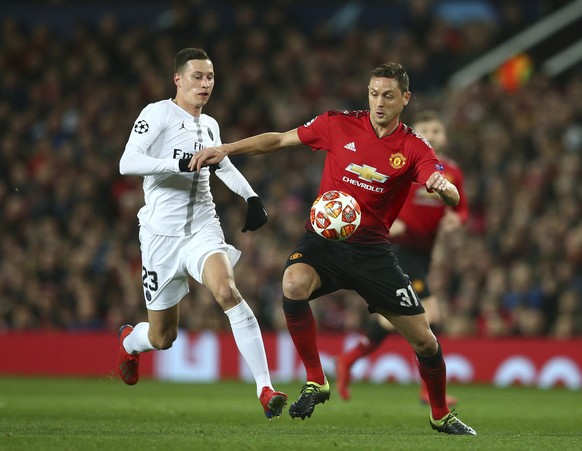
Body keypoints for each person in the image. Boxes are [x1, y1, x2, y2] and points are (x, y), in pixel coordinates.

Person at [190, 62, 476, 435]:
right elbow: (278, 140)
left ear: (405, 99)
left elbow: (452, 196)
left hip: (372, 251)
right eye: (374, 93)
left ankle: (440, 414)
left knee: (425, 341)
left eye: (388, 96)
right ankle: (316, 379)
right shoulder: (337, 124)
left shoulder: (413, 147)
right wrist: (227, 148)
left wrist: (445, 187)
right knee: (292, 284)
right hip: (323, 240)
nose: (378, 102)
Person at [117, 48, 287, 420]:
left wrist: (251, 196)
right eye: (197, 76)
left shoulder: (209, 124)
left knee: (227, 290)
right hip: (161, 237)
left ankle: (264, 387)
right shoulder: (157, 114)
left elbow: (220, 161)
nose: (205, 83)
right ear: (178, 79)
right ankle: (130, 342)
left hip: (202, 230)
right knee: (163, 338)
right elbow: (127, 162)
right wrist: (176, 164)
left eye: (210, 77)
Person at [335, 110, 469, 405]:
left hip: (424, 253)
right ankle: (428, 392)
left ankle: (349, 359)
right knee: (428, 316)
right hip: (398, 248)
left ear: (444, 136)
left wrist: (457, 219)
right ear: (415, 133)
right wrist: (387, 219)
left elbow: (462, 208)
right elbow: (375, 191)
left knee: (397, 319)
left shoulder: (452, 172)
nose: (431, 136)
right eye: (426, 130)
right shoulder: (406, 165)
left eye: (436, 130)